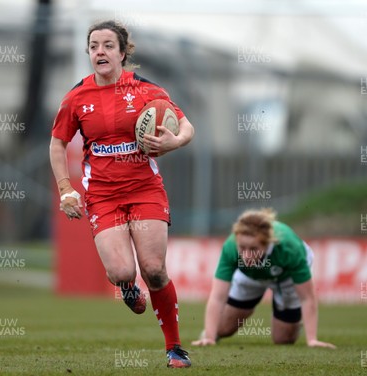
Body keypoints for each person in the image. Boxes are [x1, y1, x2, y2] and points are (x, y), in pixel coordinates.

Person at [49, 20, 194, 368]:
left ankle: (174, 348)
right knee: (121, 271)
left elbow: (186, 125)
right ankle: (128, 288)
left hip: (145, 189)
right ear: (88, 52)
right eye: (94, 45)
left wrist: (175, 141)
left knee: (155, 269)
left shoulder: (146, 91)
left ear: (122, 52)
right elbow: (57, 144)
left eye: (107, 45)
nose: (100, 51)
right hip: (102, 195)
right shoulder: (76, 98)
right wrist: (66, 189)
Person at [191, 208, 336, 349]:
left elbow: (307, 298)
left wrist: (312, 340)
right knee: (222, 329)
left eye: (253, 249)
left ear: (267, 243)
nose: (246, 256)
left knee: (283, 339)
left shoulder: (290, 249)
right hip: (250, 275)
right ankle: (245, 308)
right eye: (242, 248)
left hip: (286, 278)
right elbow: (217, 297)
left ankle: (293, 321)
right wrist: (209, 337)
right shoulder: (231, 247)